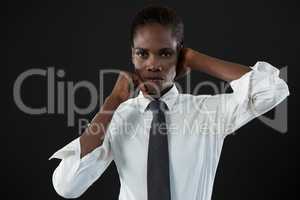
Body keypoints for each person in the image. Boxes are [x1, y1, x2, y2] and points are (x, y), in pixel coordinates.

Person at [49, 5, 290, 200]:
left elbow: (272, 90)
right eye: (142, 53)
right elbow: (68, 186)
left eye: (165, 53)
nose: (153, 64)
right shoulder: (118, 116)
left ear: (180, 54)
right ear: (132, 55)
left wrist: (197, 60)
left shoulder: (209, 112)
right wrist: (114, 101)